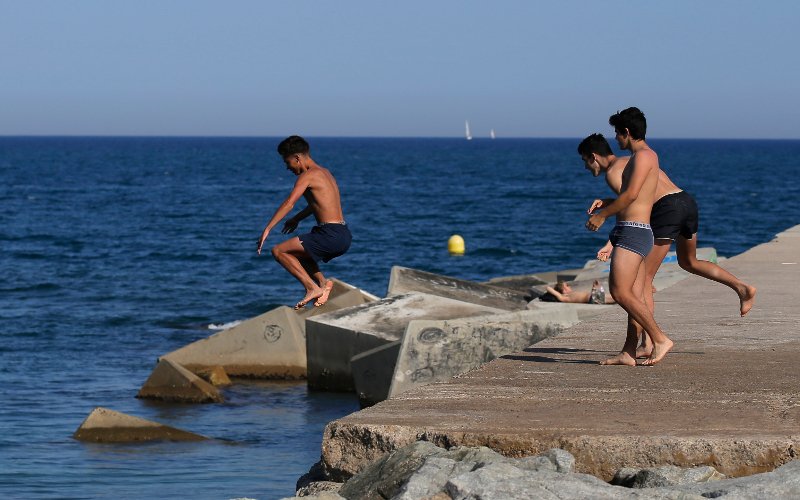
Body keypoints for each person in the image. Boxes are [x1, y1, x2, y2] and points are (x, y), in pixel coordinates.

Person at [581, 134, 756, 358]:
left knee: (642, 282)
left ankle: (648, 342)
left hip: (666, 210)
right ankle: (742, 288)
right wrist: (608, 201)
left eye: (585, 161)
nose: (586, 167)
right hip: (684, 201)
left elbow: (630, 207)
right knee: (689, 261)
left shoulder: (614, 172)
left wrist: (611, 241)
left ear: (594, 157)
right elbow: (636, 196)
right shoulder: (630, 160)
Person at [583, 107, 673, 366]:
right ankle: (629, 351)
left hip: (634, 230)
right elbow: (635, 197)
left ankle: (659, 338)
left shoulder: (644, 156)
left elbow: (632, 195)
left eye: (617, 134)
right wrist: (609, 203)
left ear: (626, 132)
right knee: (630, 291)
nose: (616, 140)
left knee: (620, 291)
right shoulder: (641, 157)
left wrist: (604, 215)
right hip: (634, 229)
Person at [256, 136, 352, 309]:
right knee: (299, 253)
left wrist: (268, 229)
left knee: (278, 251)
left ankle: (311, 287)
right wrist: (296, 219)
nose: (287, 167)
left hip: (329, 234)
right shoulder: (325, 173)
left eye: (287, 162)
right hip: (342, 233)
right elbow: (316, 204)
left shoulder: (307, 176)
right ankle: (323, 284)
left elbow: (289, 203)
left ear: (297, 158)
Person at [543, 280, 616, 304]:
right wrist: (557, 291)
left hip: (593, 296)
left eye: (568, 285)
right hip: (592, 298)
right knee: (616, 298)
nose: (569, 287)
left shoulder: (569, 294)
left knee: (615, 296)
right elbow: (548, 288)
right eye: (567, 286)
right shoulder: (563, 297)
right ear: (563, 291)